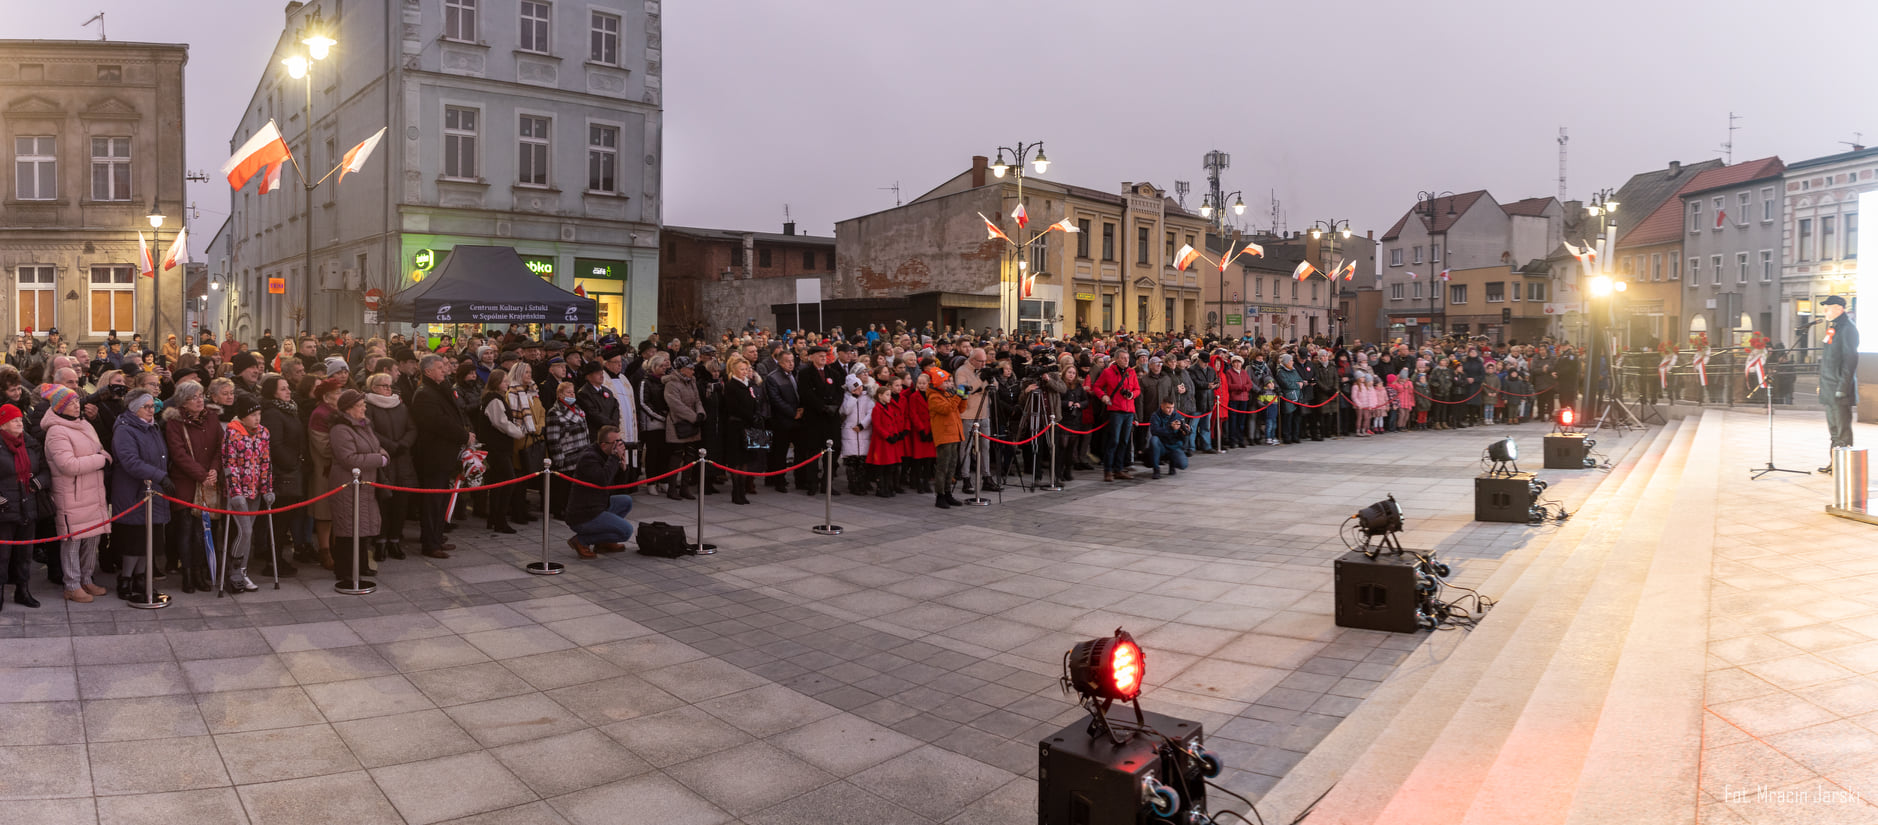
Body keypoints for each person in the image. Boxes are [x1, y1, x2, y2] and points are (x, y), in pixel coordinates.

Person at [40, 385, 111, 603]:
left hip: (93, 491)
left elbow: (97, 447)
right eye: (70, 402)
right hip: (72, 494)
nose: (76, 405)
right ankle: (71, 584)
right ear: (60, 407)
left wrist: (100, 454)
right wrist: (101, 460)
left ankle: (86, 579)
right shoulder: (56, 431)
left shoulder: (84, 424)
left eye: (76, 401)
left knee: (92, 537)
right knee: (73, 540)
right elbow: (67, 464)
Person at [109, 390, 170, 602]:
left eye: (153, 406)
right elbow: (130, 461)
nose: (152, 410)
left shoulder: (152, 427)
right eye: (147, 407)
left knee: (150, 540)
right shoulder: (125, 430)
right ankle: (125, 577)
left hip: (152, 490)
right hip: (133, 493)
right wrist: (160, 476)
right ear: (135, 408)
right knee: (134, 541)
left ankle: (141, 578)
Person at [163, 381, 222, 594]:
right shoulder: (175, 422)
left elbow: (219, 447)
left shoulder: (212, 417)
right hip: (186, 482)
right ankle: (187, 573)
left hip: (209, 482)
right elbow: (179, 455)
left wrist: (214, 470)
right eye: (193, 397)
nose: (199, 400)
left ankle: (200, 571)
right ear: (183, 402)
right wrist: (202, 475)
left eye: (200, 395)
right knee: (186, 531)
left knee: (203, 531)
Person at [328, 389, 389, 583]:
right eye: (360, 404)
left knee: (363, 525)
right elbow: (348, 458)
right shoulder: (340, 430)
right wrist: (379, 459)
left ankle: (361, 564)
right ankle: (345, 569)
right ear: (349, 408)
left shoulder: (364, 426)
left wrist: (380, 455)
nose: (364, 407)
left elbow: (375, 446)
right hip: (347, 484)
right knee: (348, 528)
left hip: (365, 484)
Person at [411, 355, 465, 558]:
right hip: (433, 455)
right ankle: (430, 543)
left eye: (445, 366)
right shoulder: (425, 394)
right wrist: (463, 435)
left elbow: (454, 415)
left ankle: (438, 536)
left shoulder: (442, 388)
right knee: (432, 501)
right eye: (440, 367)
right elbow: (439, 422)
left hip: (446, 454)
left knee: (441, 499)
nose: (445, 370)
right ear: (428, 372)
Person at [218, 396, 272, 592]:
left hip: (255, 490)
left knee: (248, 534)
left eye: (259, 414)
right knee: (245, 531)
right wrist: (234, 491)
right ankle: (234, 571)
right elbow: (229, 464)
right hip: (238, 492)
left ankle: (243, 571)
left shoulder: (263, 433)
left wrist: (267, 488)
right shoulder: (232, 433)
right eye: (252, 415)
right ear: (243, 416)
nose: (257, 419)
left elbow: (266, 462)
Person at [0, 403, 48, 608]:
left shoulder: (30, 443)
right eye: (14, 420)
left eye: (20, 419)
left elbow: (46, 468)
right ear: (3, 425)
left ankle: (23, 590)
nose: (20, 423)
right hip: (4, 508)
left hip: (28, 504)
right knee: (2, 555)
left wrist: (39, 482)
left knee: (25, 553)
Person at [364, 373, 416, 561]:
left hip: (402, 460)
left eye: (389, 385)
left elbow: (412, 428)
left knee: (401, 503)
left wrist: (404, 444)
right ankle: (380, 542)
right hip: (383, 459)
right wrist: (391, 445)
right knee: (382, 504)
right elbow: (369, 430)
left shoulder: (400, 406)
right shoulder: (368, 406)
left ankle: (395, 540)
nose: (388, 389)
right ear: (374, 387)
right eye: (383, 385)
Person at [563, 425, 634, 558]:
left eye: (620, 441)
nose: (619, 446)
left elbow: (620, 487)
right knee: (626, 531)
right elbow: (602, 481)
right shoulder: (589, 458)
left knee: (626, 501)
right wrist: (614, 458)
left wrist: (623, 469)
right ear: (603, 445)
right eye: (616, 443)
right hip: (584, 515)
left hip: (599, 504)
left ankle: (604, 542)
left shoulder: (607, 454)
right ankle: (581, 541)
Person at [257, 374, 302, 577]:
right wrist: (291, 462)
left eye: (288, 387)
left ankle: (276, 557)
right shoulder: (273, 413)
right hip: (282, 473)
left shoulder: (289, 409)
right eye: (283, 388)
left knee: (285, 519)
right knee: (279, 519)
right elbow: (275, 444)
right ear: (272, 392)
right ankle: (273, 560)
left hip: (292, 469)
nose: (288, 391)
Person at [1819, 295, 1860, 473]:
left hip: (1839, 389)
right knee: (1834, 430)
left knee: (1843, 429)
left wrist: (1842, 387)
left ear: (1838, 308)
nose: (1824, 311)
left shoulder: (1848, 329)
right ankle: (1834, 463)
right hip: (1829, 387)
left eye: (1827, 308)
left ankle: (1843, 467)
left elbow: (1850, 360)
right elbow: (1829, 360)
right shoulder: (1833, 328)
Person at [544, 380, 591, 517]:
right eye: (568, 392)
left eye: (572, 392)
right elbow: (553, 438)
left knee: (576, 487)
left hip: (581, 453)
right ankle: (561, 510)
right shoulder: (554, 413)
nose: (572, 394)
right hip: (567, 455)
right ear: (560, 394)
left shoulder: (578, 409)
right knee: (564, 487)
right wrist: (558, 458)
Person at [720, 355, 761, 505]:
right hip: (736, 427)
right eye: (741, 369)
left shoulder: (748, 384)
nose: (744, 372)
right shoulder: (731, 385)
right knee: (736, 460)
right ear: (734, 370)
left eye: (746, 369)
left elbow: (755, 400)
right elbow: (734, 407)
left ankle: (743, 490)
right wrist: (750, 416)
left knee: (746, 460)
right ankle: (736, 491)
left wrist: (756, 415)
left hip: (749, 425)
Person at [1146, 398, 1189, 479]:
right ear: (1162, 406)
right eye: (1168, 408)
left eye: (1172, 407)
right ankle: (1156, 469)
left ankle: (1172, 464)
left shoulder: (1177, 416)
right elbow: (1155, 431)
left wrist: (1185, 432)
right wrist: (1170, 428)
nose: (1170, 410)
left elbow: (1182, 436)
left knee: (1183, 465)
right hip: (1161, 445)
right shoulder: (1155, 416)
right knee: (1154, 440)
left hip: (1173, 445)